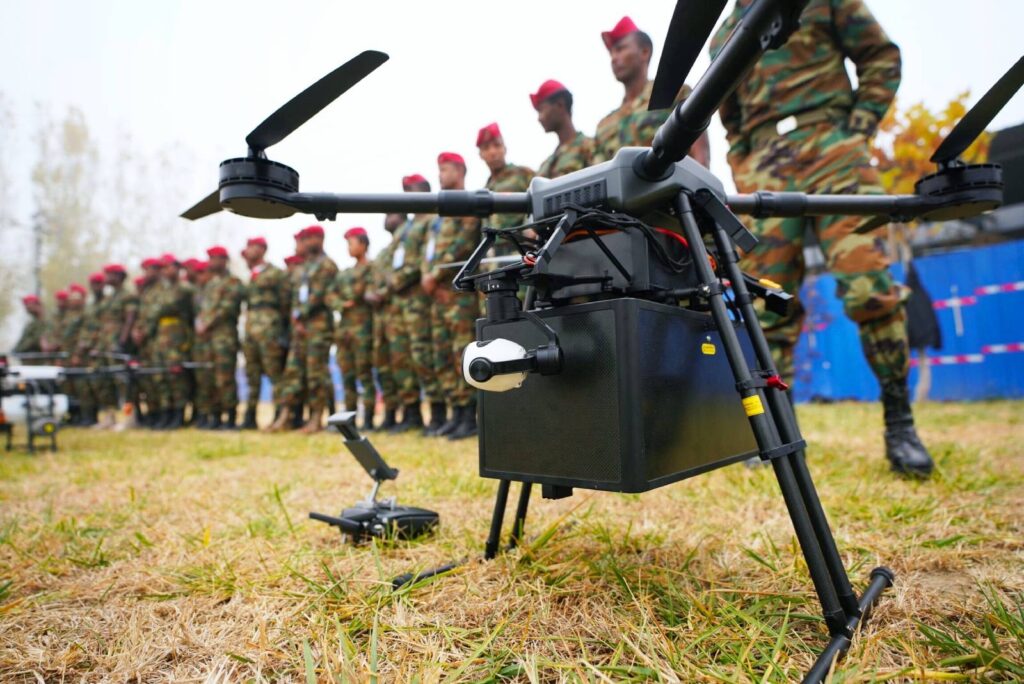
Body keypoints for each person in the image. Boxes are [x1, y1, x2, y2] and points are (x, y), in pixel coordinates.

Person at [709, 0, 932, 478]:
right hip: (768, 166)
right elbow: (729, 115)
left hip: (834, 149)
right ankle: (779, 435)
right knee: (767, 307)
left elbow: (880, 55)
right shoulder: (724, 34)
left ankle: (900, 425)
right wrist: (746, 166)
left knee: (869, 288)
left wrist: (856, 129)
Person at [594, 16, 710, 167]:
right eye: (612, 53)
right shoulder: (605, 126)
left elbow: (701, 157)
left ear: (644, 52)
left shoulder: (673, 94)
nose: (614, 58)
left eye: (621, 49)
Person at [421, 152, 480, 440]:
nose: (440, 175)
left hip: (459, 294)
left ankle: (469, 415)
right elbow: (428, 253)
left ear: (460, 170)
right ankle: (456, 412)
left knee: (461, 351)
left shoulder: (469, 203)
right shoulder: (439, 215)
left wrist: (435, 276)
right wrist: (427, 276)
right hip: (439, 296)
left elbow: (464, 244)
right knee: (442, 354)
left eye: (445, 169)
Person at [270, 226, 338, 433]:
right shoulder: (304, 267)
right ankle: (286, 415)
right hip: (299, 329)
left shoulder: (327, 265)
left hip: (318, 327)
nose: (305, 243)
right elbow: (295, 298)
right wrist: (296, 320)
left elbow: (318, 295)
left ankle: (316, 417)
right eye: (304, 239)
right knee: (293, 372)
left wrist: (299, 315)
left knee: (315, 373)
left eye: (309, 239)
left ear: (320, 238)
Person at [390, 174, 443, 433]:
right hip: (403, 302)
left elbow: (422, 261)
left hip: (420, 299)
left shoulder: (432, 221)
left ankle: (438, 413)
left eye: (410, 190)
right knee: (407, 358)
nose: (406, 196)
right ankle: (413, 415)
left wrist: (397, 280)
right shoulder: (406, 227)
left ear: (424, 190)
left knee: (425, 354)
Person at [240, 237, 290, 430]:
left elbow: (285, 302)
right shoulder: (251, 274)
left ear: (262, 249)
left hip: (270, 330)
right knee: (251, 374)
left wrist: (280, 329)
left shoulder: (275, 273)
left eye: (251, 246)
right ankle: (249, 417)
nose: (247, 250)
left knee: (274, 372)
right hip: (251, 329)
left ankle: (280, 416)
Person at [332, 227, 378, 429]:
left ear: (363, 244)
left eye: (351, 243)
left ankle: (368, 419)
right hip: (344, 331)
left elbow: (364, 292)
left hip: (364, 330)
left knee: (364, 374)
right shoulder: (345, 273)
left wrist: (350, 297)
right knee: (347, 375)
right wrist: (341, 303)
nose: (348, 248)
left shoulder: (373, 269)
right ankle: (349, 420)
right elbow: (330, 295)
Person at [195, 246, 244, 429]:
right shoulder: (210, 284)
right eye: (210, 258)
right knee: (209, 378)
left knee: (225, 378)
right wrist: (200, 323)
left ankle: (230, 417)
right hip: (207, 339)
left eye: (214, 258)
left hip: (224, 338)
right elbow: (203, 309)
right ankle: (214, 416)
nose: (211, 262)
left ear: (224, 260)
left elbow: (227, 308)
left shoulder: (233, 282)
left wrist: (207, 324)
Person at [91, 263, 138, 429]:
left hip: (117, 343)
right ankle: (109, 417)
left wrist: (122, 342)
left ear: (119, 276)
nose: (106, 278)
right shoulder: (109, 297)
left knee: (123, 381)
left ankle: (129, 418)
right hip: (105, 343)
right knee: (104, 379)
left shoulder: (128, 295)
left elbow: (130, 319)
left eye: (110, 274)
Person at [151, 254, 195, 430]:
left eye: (168, 266)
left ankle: (178, 414)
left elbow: (185, 313)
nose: (165, 271)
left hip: (177, 337)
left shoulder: (185, 289)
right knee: (161, 377)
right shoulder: (161, 289)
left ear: (177, 268)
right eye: (162, 268)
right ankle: (166, 413)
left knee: (176, 377)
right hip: (162, 337)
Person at [268, 251, 308, 432]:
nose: (289, 270)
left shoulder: (303, 281)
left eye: (293, 266)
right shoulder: (290, 288)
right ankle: (289, 417)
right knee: (291, 377)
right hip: (291, 336)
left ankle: (297, 417)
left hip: (307, 335)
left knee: (309, 377)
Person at [479, 123, 534, 252]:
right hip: (492, 255)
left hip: (519, 250)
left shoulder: (523, 174)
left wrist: (531, 226)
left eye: (497, 145)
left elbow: (538, 201)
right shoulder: (485, 189)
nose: (493, 152)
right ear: (481, 154)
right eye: (486, 148)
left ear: (505, 148)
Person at [531, 80, 597, 179]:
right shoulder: (545, 165)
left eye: (542, 110)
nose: (539, 118)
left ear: (560, 105)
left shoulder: (589, 147)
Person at [73, 273, 107, 427]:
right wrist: (80, 349)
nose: (95, 287)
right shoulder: (90, 307)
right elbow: (86, 330)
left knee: (102, 383)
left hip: (101, 348)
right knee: (87, 385)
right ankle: (90, 417)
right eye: (93, 284)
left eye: (98, 283)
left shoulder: (106, 303)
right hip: (87, 350)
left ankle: (106, 416)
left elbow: (103, 328)